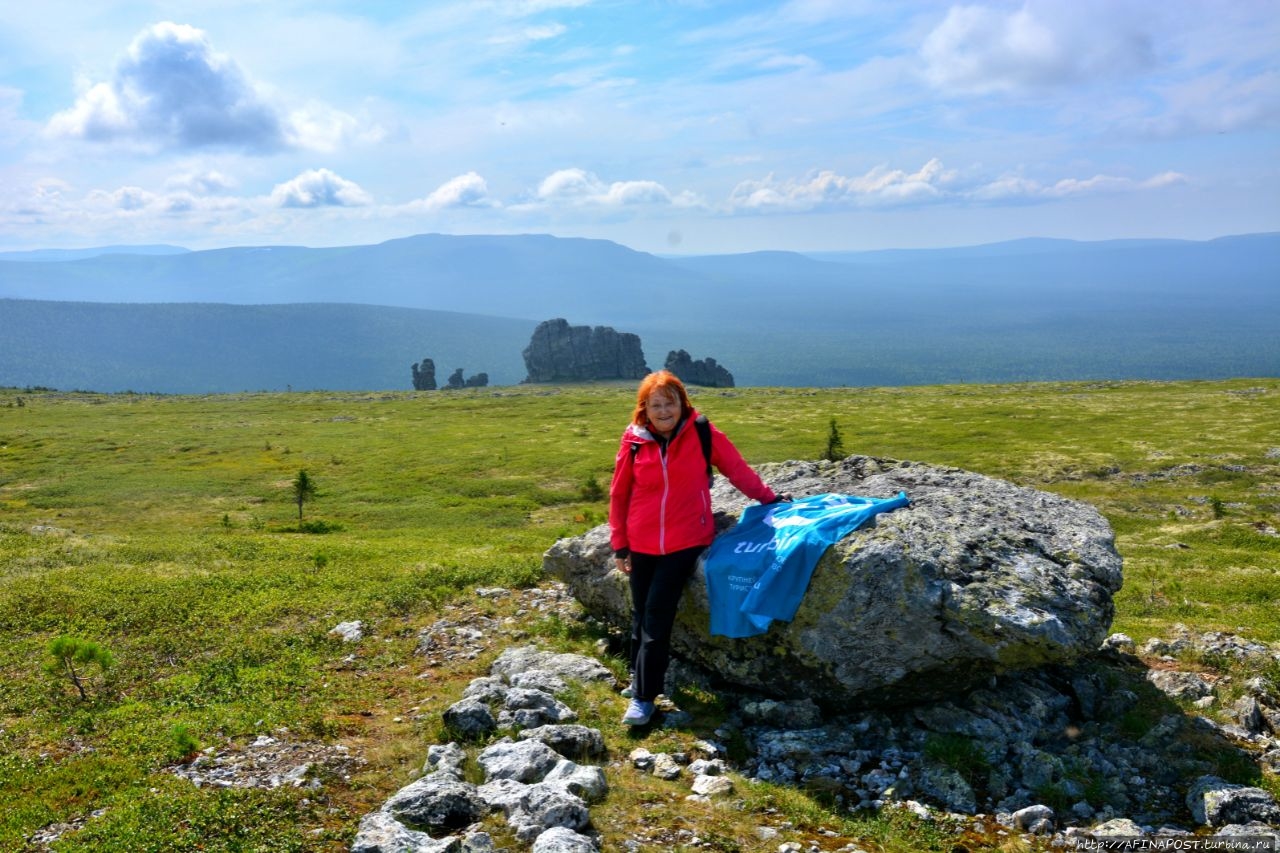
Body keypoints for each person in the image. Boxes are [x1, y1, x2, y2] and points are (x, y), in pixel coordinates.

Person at [608, 370, 789, 725]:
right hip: (641, 541)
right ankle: (637, 678)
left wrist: (768, 498)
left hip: (686, 540)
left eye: (669, 403)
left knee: (657, 615)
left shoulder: (702, 432)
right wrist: (620, 544)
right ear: (644, 408)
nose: (663, 412)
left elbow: (736, 468)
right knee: (641, 612)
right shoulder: (634, 441)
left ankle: (645, 699)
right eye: (655, 405)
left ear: (682, 403)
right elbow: (619, 493)